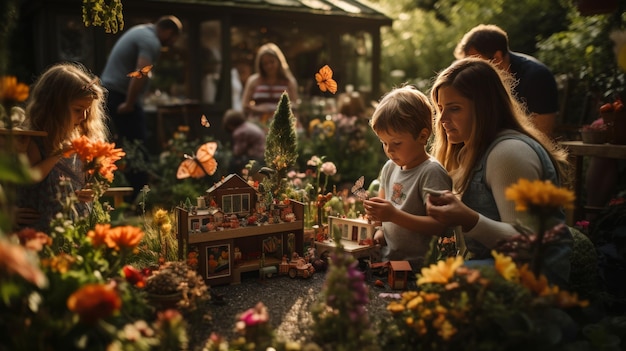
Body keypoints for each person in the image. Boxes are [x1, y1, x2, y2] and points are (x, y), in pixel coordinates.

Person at [425, 57, 572, 286]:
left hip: (536, 279)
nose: (442, 119)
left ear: (484, 108)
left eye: (454, 109)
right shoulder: (471, 150)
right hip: (497, 266)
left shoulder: (509, 153)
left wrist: (469, 220)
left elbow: (529, 245)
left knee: (444, 280)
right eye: (440, 108)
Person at [363, 85, 453, 270]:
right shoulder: (389, 168)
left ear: (422, 136)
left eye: (396, 143)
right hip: (390, 262)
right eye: (384, 143)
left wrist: (394, 215)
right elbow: (382, 210)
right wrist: (380, 229)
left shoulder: (431, 173)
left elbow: (439, 226)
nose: (389, 150)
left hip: (421, 268)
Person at [15, 62, 109, 231]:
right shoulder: (33, 140)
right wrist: (58, 154)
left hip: (76, 228)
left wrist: (93, 190)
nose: (84, 116)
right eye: (78, 110)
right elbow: (30, 177)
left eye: (88, 110)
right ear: (54, 108)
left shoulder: (82, 137)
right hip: (43, 229)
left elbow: (89, 180)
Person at [101, 15, 183, 201]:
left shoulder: (142, 30)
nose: (170, 43)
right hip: (118, 95)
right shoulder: (151, 41)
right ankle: (137, 199)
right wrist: (129, 103)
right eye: (173, 39)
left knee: (120, 143)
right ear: (168, 32)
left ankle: (124, 194)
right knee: (138, 146)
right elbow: (141, 73)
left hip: (111, 91)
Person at [454, 24, 559, 138]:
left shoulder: (536, 77)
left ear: (497, 58)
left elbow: (543, 133)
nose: (471, 69)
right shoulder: (482, 79)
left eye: (476, 62)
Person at [241, 42, 299, 126]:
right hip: (257, 124)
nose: (269, 66)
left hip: (282, 124)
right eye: (265, 64)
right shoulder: (253, 81)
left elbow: (295, 105)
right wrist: (259, 109)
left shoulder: (289, 81)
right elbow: (245, 105)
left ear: (279, 61)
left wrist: (276, 108)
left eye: (272, 62)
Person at [222, 109, 266, 176]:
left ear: (230, 124)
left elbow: (238, 152)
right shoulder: (247, 125)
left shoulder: (239, 132)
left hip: (256, 157)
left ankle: (232, 182)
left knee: (233, 163)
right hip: (262, 155)